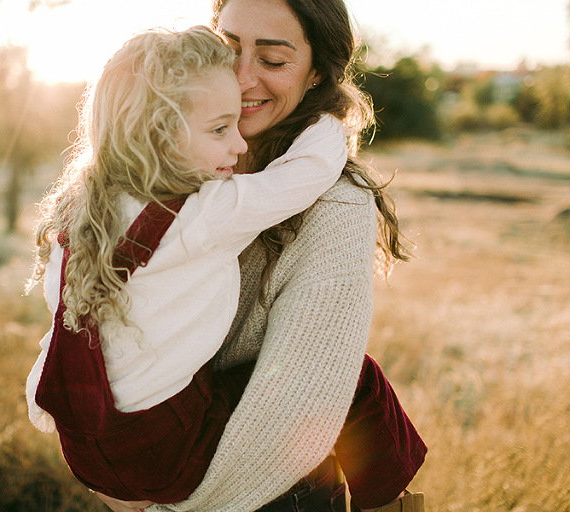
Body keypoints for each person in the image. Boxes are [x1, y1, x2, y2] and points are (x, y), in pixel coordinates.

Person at [95, 0, 428, 511]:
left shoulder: (333, 203)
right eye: (229, 49)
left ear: (317, 73)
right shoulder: (175, 167)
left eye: (273, 61)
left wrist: (149, 494)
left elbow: (295, 408)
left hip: (267, 495)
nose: (243, 77)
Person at [24, 26, 349, 505]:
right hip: (171, 447)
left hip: (87, 447)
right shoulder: (203, 215)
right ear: (155, 135)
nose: (239, 146)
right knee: (353, 382)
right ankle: (390, 499)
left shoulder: (81, 210)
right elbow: (309, 174)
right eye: (220, 129)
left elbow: (64, 320)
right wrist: (329, 120)